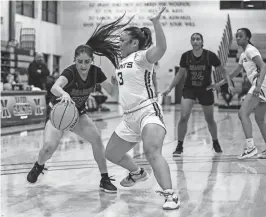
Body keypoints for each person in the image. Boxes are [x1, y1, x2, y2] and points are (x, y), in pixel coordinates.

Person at [27, 14, 133, 193]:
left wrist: (116, 83)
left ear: (91, 61)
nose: (83, 65)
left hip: (78, 114)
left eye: (86, 62)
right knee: (49, 148)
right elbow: (55, 87)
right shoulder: (70, 72)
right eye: (80, 62)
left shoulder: (96, 72)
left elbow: (113, 92)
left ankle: (104, 178)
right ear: (74, 61)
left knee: (97, 140)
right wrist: (64, 94)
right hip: (58, 112)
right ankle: (38, 165)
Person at [104, 7, 180, 210]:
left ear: (134, 43)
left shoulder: (141, 57)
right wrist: (107, 82)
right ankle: (137, 173)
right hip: (129, 118)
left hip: (148, 111)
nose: (118, 43)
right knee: (110, 154)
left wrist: (156, 23)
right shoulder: (122, 62)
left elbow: (162, 49)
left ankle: (170, 195)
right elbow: (113, 93)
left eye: (122, 40)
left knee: (152, 151)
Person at [162, 33, 233, 156]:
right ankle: (179, 145)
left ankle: (215, 142)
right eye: (193, 39)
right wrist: (169, 88)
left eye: (198, 39)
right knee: (184, 117)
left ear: (202, 41)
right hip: (189, 89)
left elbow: (223, 71)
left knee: (209, 119)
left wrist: (226, 84)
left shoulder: (210, 56)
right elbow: (179, 75)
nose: (195, 41)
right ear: (191, 41)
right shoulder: (186, 56)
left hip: (205, 89)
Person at [207, 28, 266, 159]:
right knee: (259, 119)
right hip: (261, 84)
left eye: (240, 36)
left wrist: (258, 85)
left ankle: (251, 148)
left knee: (242, 113)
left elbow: (263, 67)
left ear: (247, 38)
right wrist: (218, 84)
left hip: (261, 83)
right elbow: (234, 73)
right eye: (236, 36)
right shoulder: (244, 54)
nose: (237, 38)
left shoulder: (251, 50)